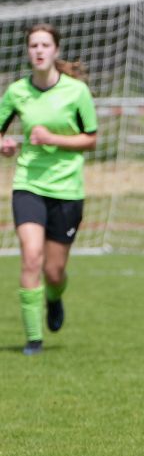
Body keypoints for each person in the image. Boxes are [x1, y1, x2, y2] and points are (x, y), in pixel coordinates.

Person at [0, 23, 97, 356]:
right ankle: (33, 340)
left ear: (56, 50)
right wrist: (5, 146)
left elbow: (91, 139)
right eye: (33, 45)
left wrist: (52, 138)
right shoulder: (16, 92)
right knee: (31, 257)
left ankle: (54, 298)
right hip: (28, 185)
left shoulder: (76, 92)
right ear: (28, 51)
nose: (39, 51)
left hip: (67, 189)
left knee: (53, 272)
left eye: (44, 45)